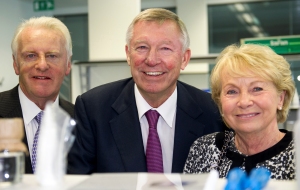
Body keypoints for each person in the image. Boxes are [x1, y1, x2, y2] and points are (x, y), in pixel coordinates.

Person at [67, 8, 225, 174]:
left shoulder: (213, 112)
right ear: (128, 54)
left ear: (184, 58)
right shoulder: (93, 110)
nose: (151, 60)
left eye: (165, 48)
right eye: (142, 47)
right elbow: (79, 181)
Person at [184, 43, 295, 180]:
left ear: (281, 98)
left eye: (257, 89)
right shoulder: (203, 149)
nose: (244, 102)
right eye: (232, 91)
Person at [0, 16, 74, 174]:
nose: (41, 65)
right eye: (31, 55)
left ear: (68, 64)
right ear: (15, 64)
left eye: (52, 56)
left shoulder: (82, 120)